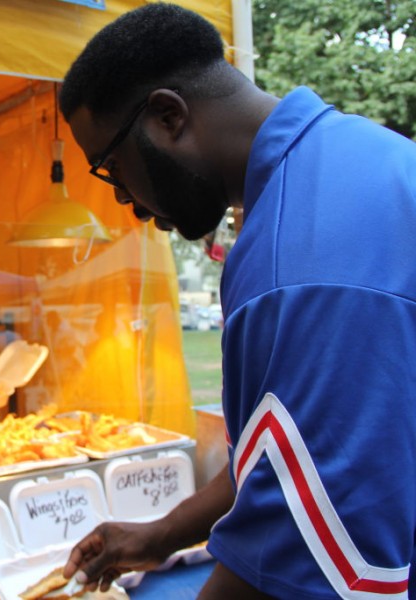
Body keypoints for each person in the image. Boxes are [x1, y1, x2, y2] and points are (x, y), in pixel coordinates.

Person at [57, 3, 416, 599]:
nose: (128, 203)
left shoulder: (299, 263)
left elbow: (313, 556)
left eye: (113, 168)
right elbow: (286, 454)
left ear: (167, 115)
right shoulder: (353, 156)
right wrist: (161, 534)